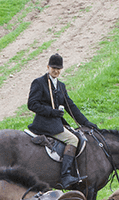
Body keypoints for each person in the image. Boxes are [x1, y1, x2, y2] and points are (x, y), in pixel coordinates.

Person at [27, 53, 98, 189]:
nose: (56, 71)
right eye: (54, 68)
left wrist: (85, 122)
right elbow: (32, 104)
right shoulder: (39, 82)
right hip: (44, 124)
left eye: (59, 68)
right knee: (73, 140)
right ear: (48, 67)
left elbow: (70, 106)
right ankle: (65, 176)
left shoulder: (61, 86)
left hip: (57, 123)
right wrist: (51, 112)